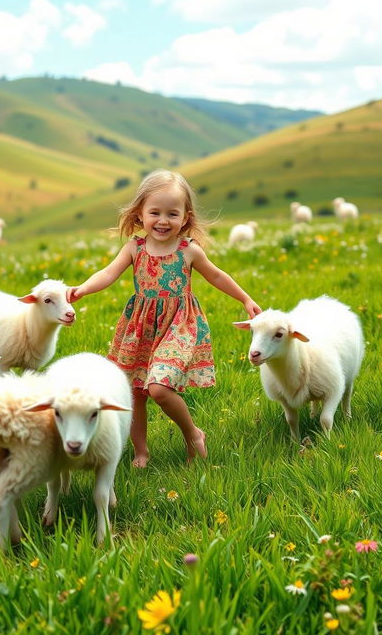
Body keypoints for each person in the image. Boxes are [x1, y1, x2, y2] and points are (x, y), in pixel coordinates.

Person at [67, 170, 262, 467]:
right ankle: (141, 452)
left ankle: (193, 433)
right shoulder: (135, 248)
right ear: (140, 214)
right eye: (155, 212)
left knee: (158, 388)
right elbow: (108, 273)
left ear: (185, 217)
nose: (162, 220)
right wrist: (82, 289)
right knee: (135, 392)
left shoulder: (189, 251)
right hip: (141, 325)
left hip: (179, 325)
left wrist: (245, 299)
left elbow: (217, 275)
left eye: (172, 213)